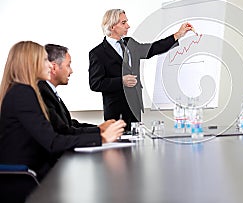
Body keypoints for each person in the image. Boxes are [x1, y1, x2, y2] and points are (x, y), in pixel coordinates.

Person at [0, 41, 126, 182]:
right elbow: (53, 142)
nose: (50, 65)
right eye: (44, 60)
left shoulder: (20, 91)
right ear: (31, 63)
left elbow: (54, 133)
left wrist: (99, 133)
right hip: (26, 177)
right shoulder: (23, 93)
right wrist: (102, 138)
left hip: (33, 171)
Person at [89, 9, 194, 131]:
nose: (128, 25)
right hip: (115, 112)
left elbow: (152, 49)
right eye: (123, 23)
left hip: (134, 108)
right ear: (112, 26)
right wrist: (121, 81)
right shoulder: (98, 53)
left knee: (135, 145)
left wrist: (178, 35)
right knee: (117, 147)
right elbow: (95, 83)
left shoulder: (130, 43)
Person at [39, 44, 115, 135]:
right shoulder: (43, 93)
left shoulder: (48, 91)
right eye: (68, 65)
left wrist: (100, 128)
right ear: (54, 67)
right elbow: (62, 131)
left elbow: (69, 124)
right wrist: (99, 131)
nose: (71, 71)